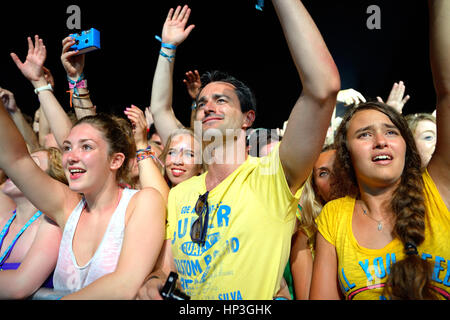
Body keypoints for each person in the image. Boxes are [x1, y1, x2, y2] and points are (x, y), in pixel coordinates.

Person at [138, 0, 340, 300]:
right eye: (202, 103)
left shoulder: (273, 178)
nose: (207, 107)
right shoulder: (180, 193)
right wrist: (154, 281)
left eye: (221, 101)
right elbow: (167, 269)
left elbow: (322, 88)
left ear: (248, 119)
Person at [5, 35, 166, 299]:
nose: (70, 156)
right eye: (66, 148)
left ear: (116, 161)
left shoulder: (142, 202)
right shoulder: (68, 206)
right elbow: (16, 160)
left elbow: (123, 285)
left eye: (86, 148)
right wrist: (39, 84)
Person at [310, 4, 450, 298]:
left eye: (391, 132)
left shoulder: (438, 189)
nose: (381, 141)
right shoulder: (334, 216)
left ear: (405, 147)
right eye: (364, 134)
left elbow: (447, 88)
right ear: (347, 156)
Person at [0, 147, 66, 299]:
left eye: (31, 163)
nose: (14, 169)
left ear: (50, 180)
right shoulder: (4, 222)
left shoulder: (52, 225)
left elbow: (20, 286)